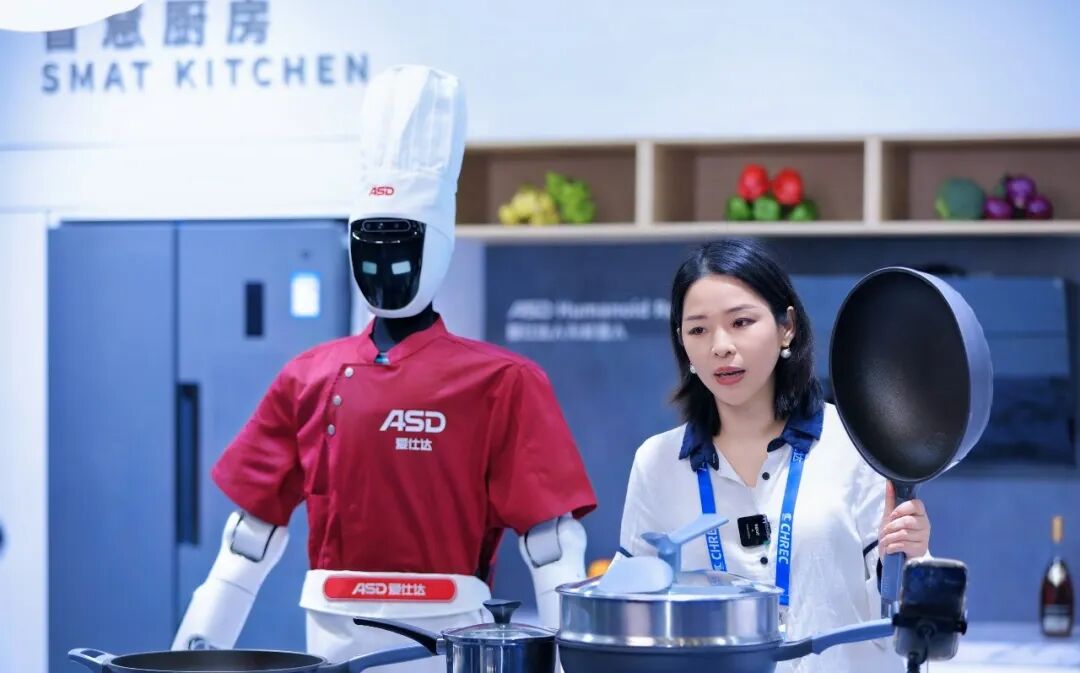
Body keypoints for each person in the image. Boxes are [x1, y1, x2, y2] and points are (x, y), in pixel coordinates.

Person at [172, 65, 597, 671]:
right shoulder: (307, 377)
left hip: (450, 639)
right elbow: (249, 536)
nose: (384, 264)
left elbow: (552, 543)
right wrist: (194, 652)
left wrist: (566, 662)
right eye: (369, 245)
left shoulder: (502, 381)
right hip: (332, 637)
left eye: (401, 245)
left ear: (438, 244)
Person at [617, 239, 931, 673]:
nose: (720, 346)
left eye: (741, 322)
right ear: (682, 343)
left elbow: (907, 622)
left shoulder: (857, 444)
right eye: (698, 330)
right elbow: (630, 614)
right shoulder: (657, 463)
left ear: (787, 327)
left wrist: (909, 556)